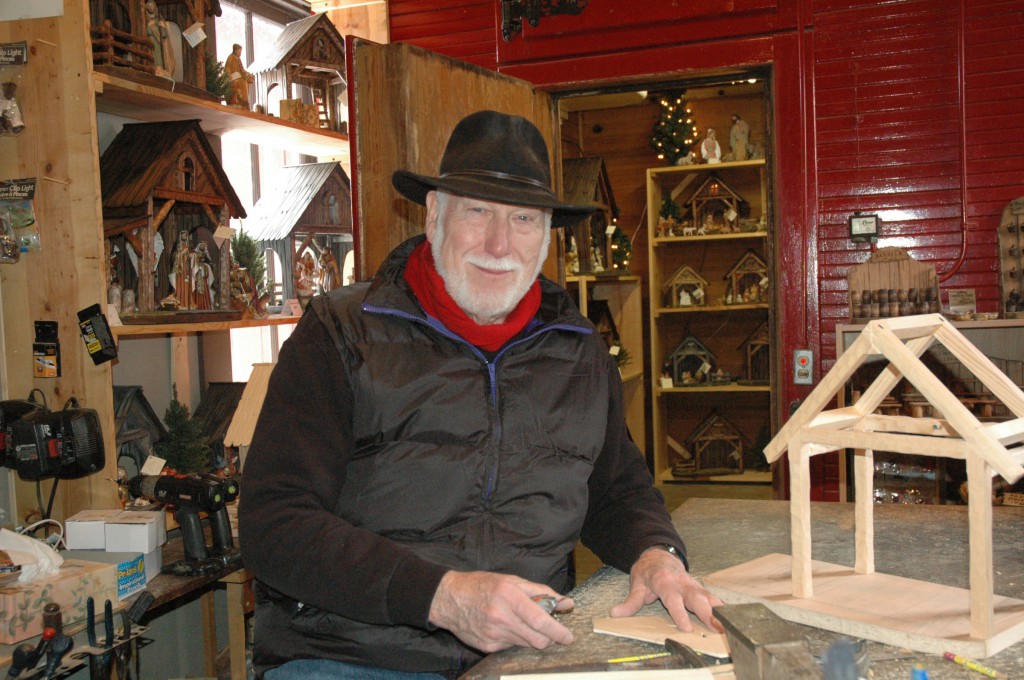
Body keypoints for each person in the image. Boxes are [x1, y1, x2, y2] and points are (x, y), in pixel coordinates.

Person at [239, 110, 723, 679]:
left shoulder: (578, 350)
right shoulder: (342, 333)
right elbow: (274, 524)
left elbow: (617, 491)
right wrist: (440, 596)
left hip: (522, 653)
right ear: (435, 215)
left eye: (523, 218)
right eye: (478, 211)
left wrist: (655, 556)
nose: (500, 243)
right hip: (352, 652)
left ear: (545, 236)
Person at [225, 43, 254, 109]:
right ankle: (239, 102)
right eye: (239, 51)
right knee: (241, 82)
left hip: (238, 77)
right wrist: (230, 76)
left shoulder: (238, 59)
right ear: (235, 50)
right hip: (232, 78)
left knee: (245, 81)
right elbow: (227, 68)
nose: (240, 53)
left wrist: (247, 74)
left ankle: (244, 103)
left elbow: (242, 70)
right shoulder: (230, 58)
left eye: (241, 52)